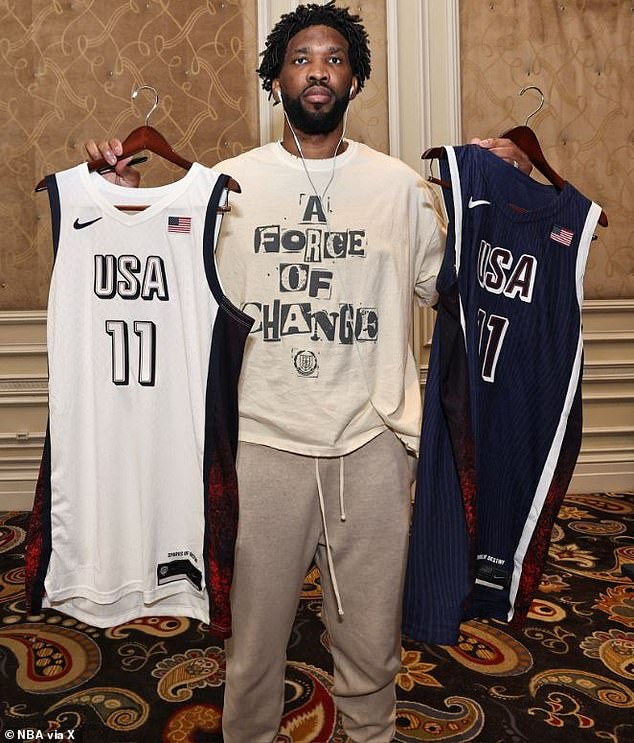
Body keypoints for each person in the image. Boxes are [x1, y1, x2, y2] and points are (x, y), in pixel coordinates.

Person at [85, 4, 531, 741]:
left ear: (354, 79)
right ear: (275, 80)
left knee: (371, 650)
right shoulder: (223, 187)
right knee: (252, 650)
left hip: (374, 444)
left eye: (333, 58)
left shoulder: (398, 189)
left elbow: (456, 288)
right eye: (299, 57)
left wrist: (495, 196)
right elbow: (154, 280)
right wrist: (118, 195)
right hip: (264, 441)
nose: (316, 68)